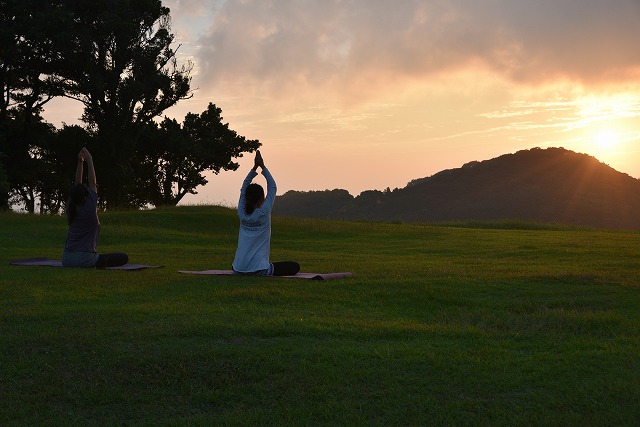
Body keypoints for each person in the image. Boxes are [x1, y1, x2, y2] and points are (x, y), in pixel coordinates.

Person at [232, 150, 300, 276]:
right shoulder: (263, 213)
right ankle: (261, 266)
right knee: (294, 266)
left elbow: (243, 188)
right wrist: (262, 166)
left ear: (246, 198)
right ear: (260, 200)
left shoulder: (242, 213)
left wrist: (254, 169)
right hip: (259, 270)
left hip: (237, 269)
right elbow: (272, 187)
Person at [61, 147, 129, 268]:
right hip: (85, 259)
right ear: (85, 198)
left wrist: (80, 162)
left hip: (66, 259)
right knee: (123, 257)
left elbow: (77, 185)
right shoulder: (89, 210)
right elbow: (92, 183)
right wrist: (90, 160)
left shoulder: (70, 208)